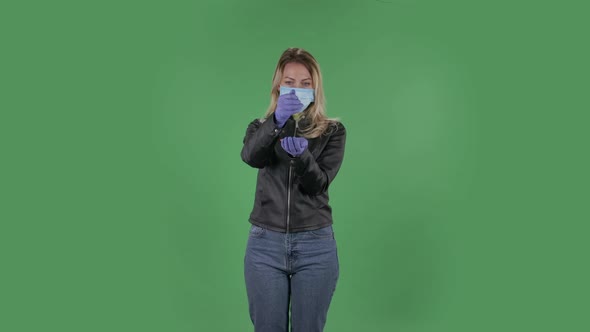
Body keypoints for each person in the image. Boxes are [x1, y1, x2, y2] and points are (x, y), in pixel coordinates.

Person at [241, 47, 347, 332]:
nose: (296, 89)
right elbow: (251, 156)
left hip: (315, 245)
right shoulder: (259, 127)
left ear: (315, 88)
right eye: (290, 81)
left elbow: (318, 184)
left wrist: (303, 158)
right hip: (265, 245)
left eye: (305, 83)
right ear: (278, 85)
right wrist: (275, 123)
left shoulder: (332, 132)